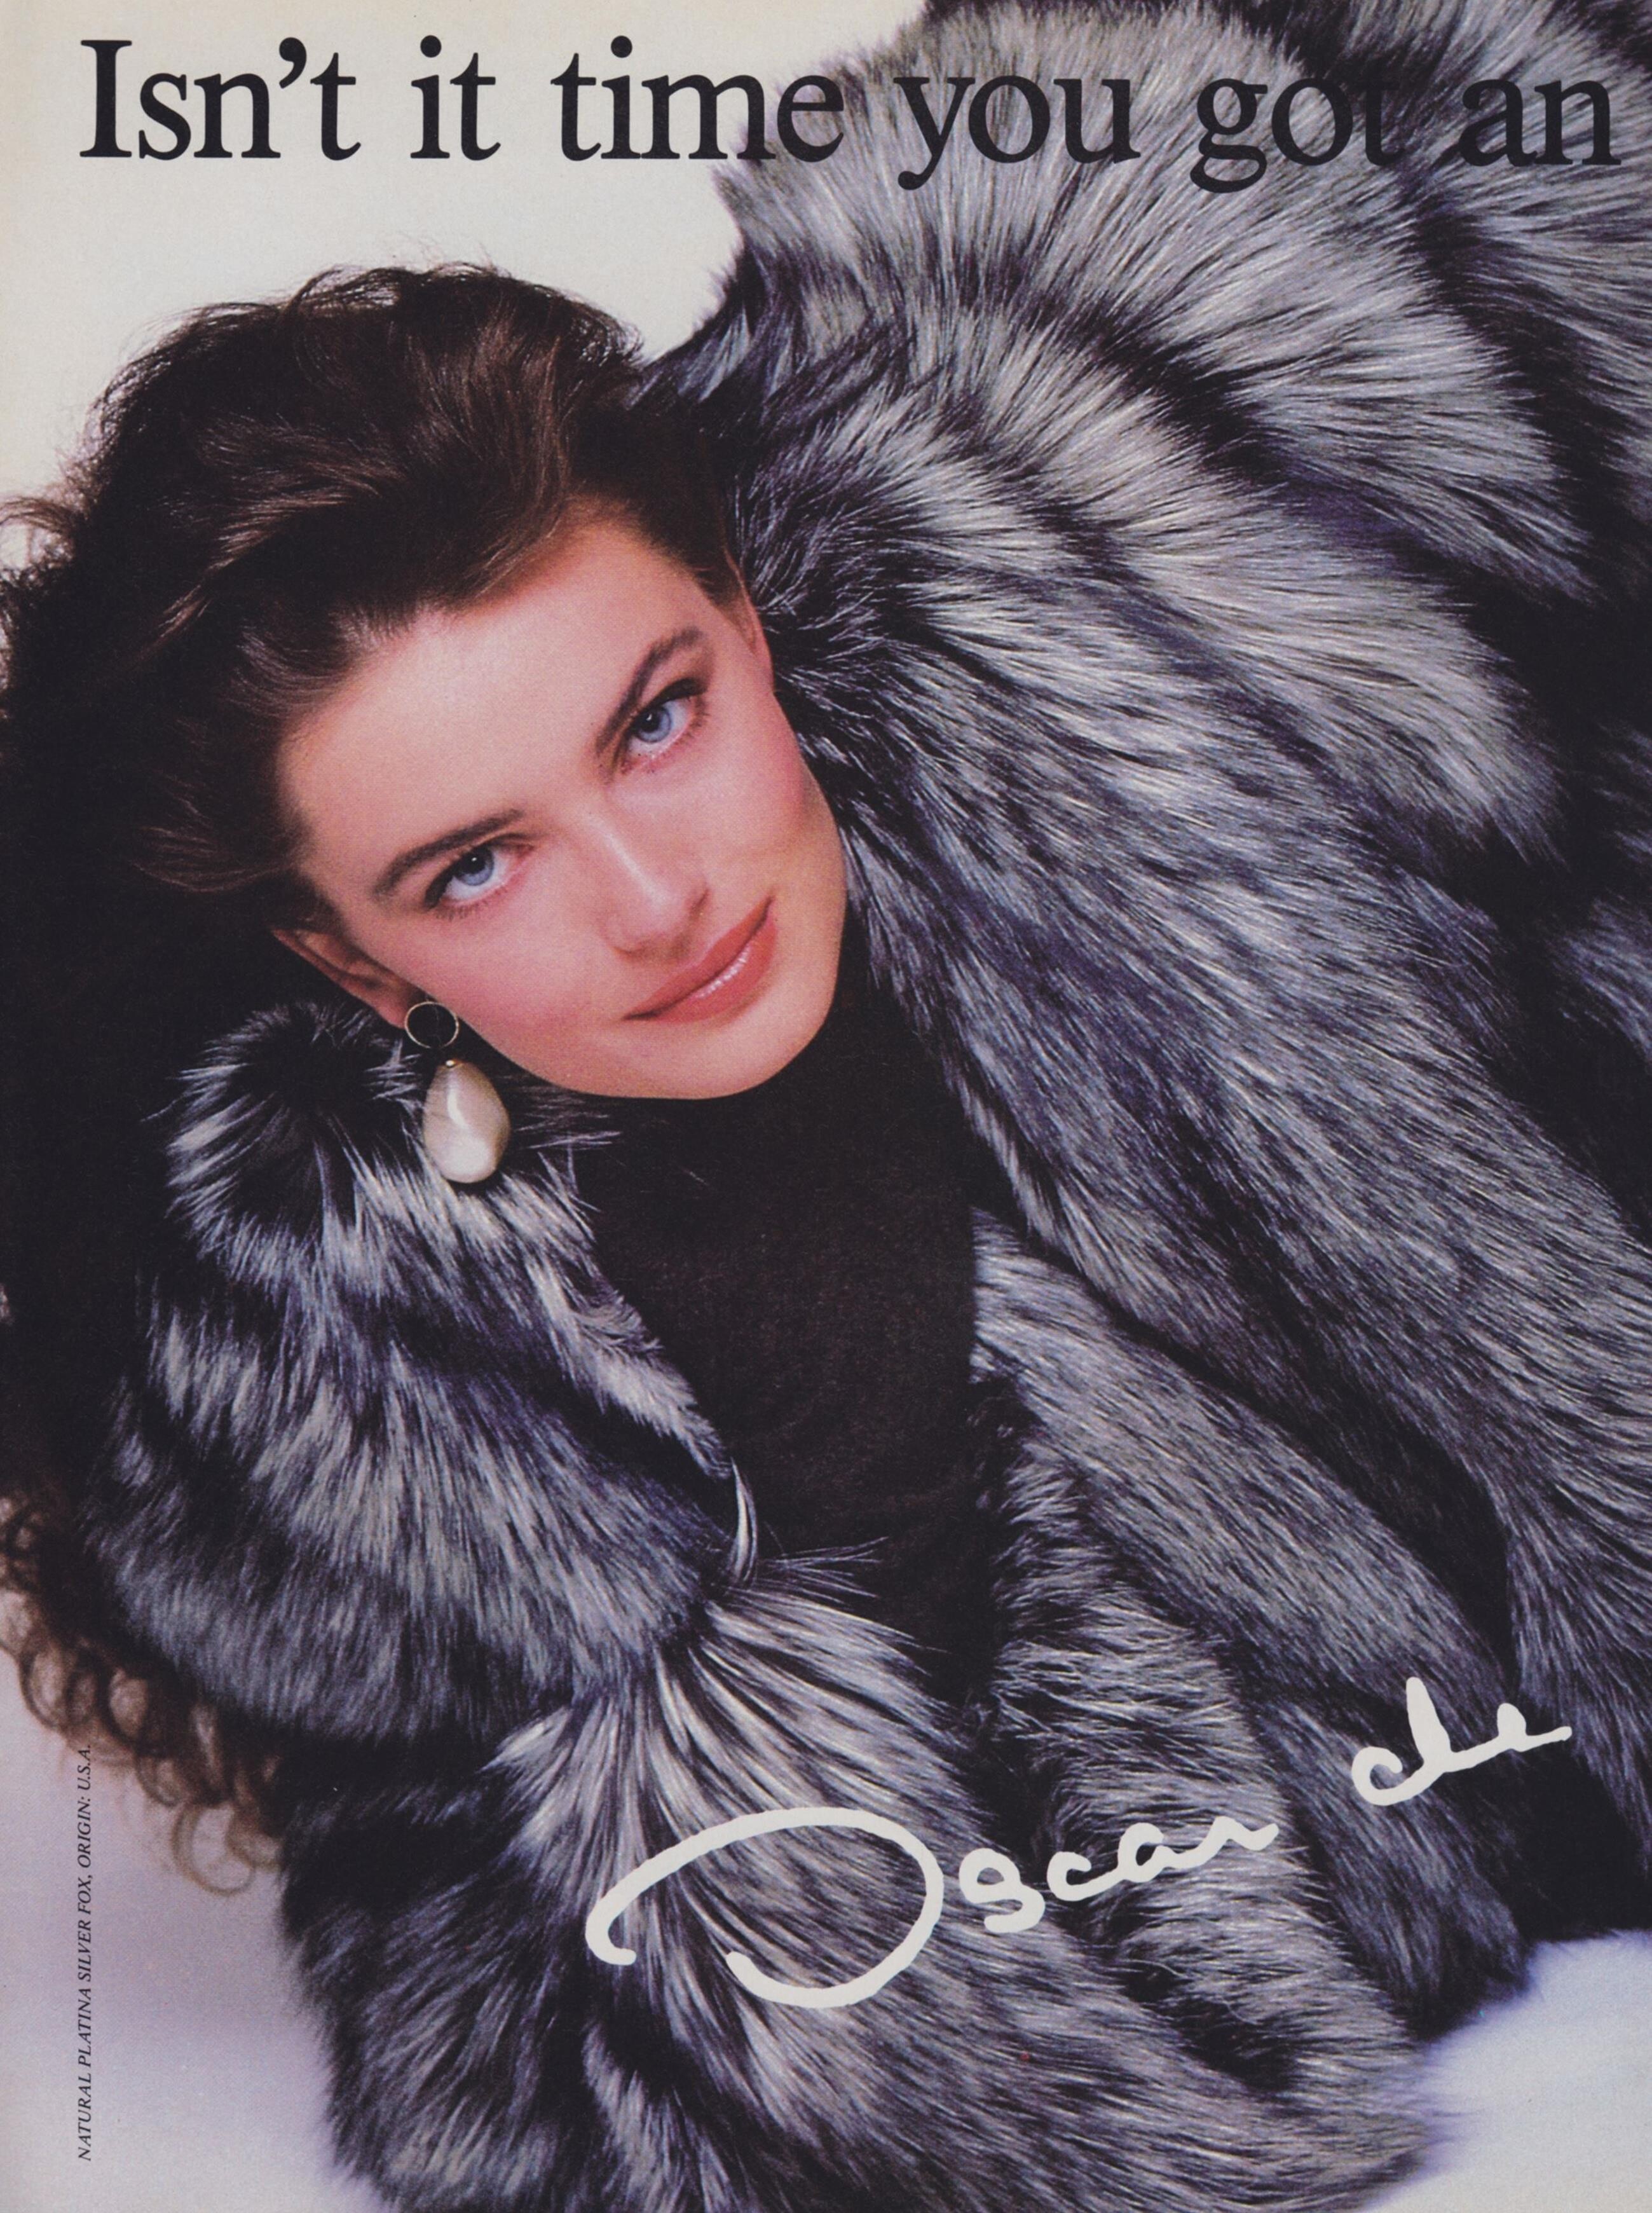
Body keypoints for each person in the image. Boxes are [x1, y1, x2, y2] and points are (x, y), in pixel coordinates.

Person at [4, 1, 1652, 2207]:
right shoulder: (383, 1380)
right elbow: (629, 2038)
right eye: (474, 865)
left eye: (657, 717)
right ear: (350, 959)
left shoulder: (1149, 646)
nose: (656, 897)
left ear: (751, 614)